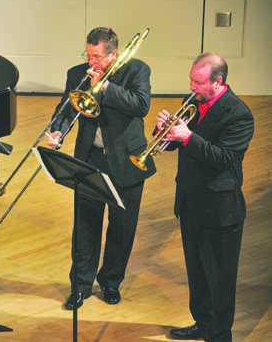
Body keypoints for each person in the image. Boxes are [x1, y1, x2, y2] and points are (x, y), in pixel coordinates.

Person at [46, 27, 156, 309]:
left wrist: (106, 87)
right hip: (89, 159)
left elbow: (141, 105)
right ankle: (80, 286)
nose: (91, 62)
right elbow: (65, 109)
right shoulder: (77, 73)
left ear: (113, 54)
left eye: (97, 57)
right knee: (84, 227)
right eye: (88, 55)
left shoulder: (137, 70)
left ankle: (110, 282)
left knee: (122, 228)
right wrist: (57, 132)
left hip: (127, 161)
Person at [155, 53, 254, 342]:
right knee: (197, 273)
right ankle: (203, 323)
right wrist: (164, 132)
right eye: (191, 80)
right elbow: (175, 145)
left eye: (198, 82)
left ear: (218, 82)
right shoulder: (195, 103)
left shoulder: (238, 113)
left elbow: (224, 158)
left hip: (220, 211)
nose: (191, 87)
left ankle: (219, 335)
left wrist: (186, 137)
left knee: (220, 280)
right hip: (191, 204)